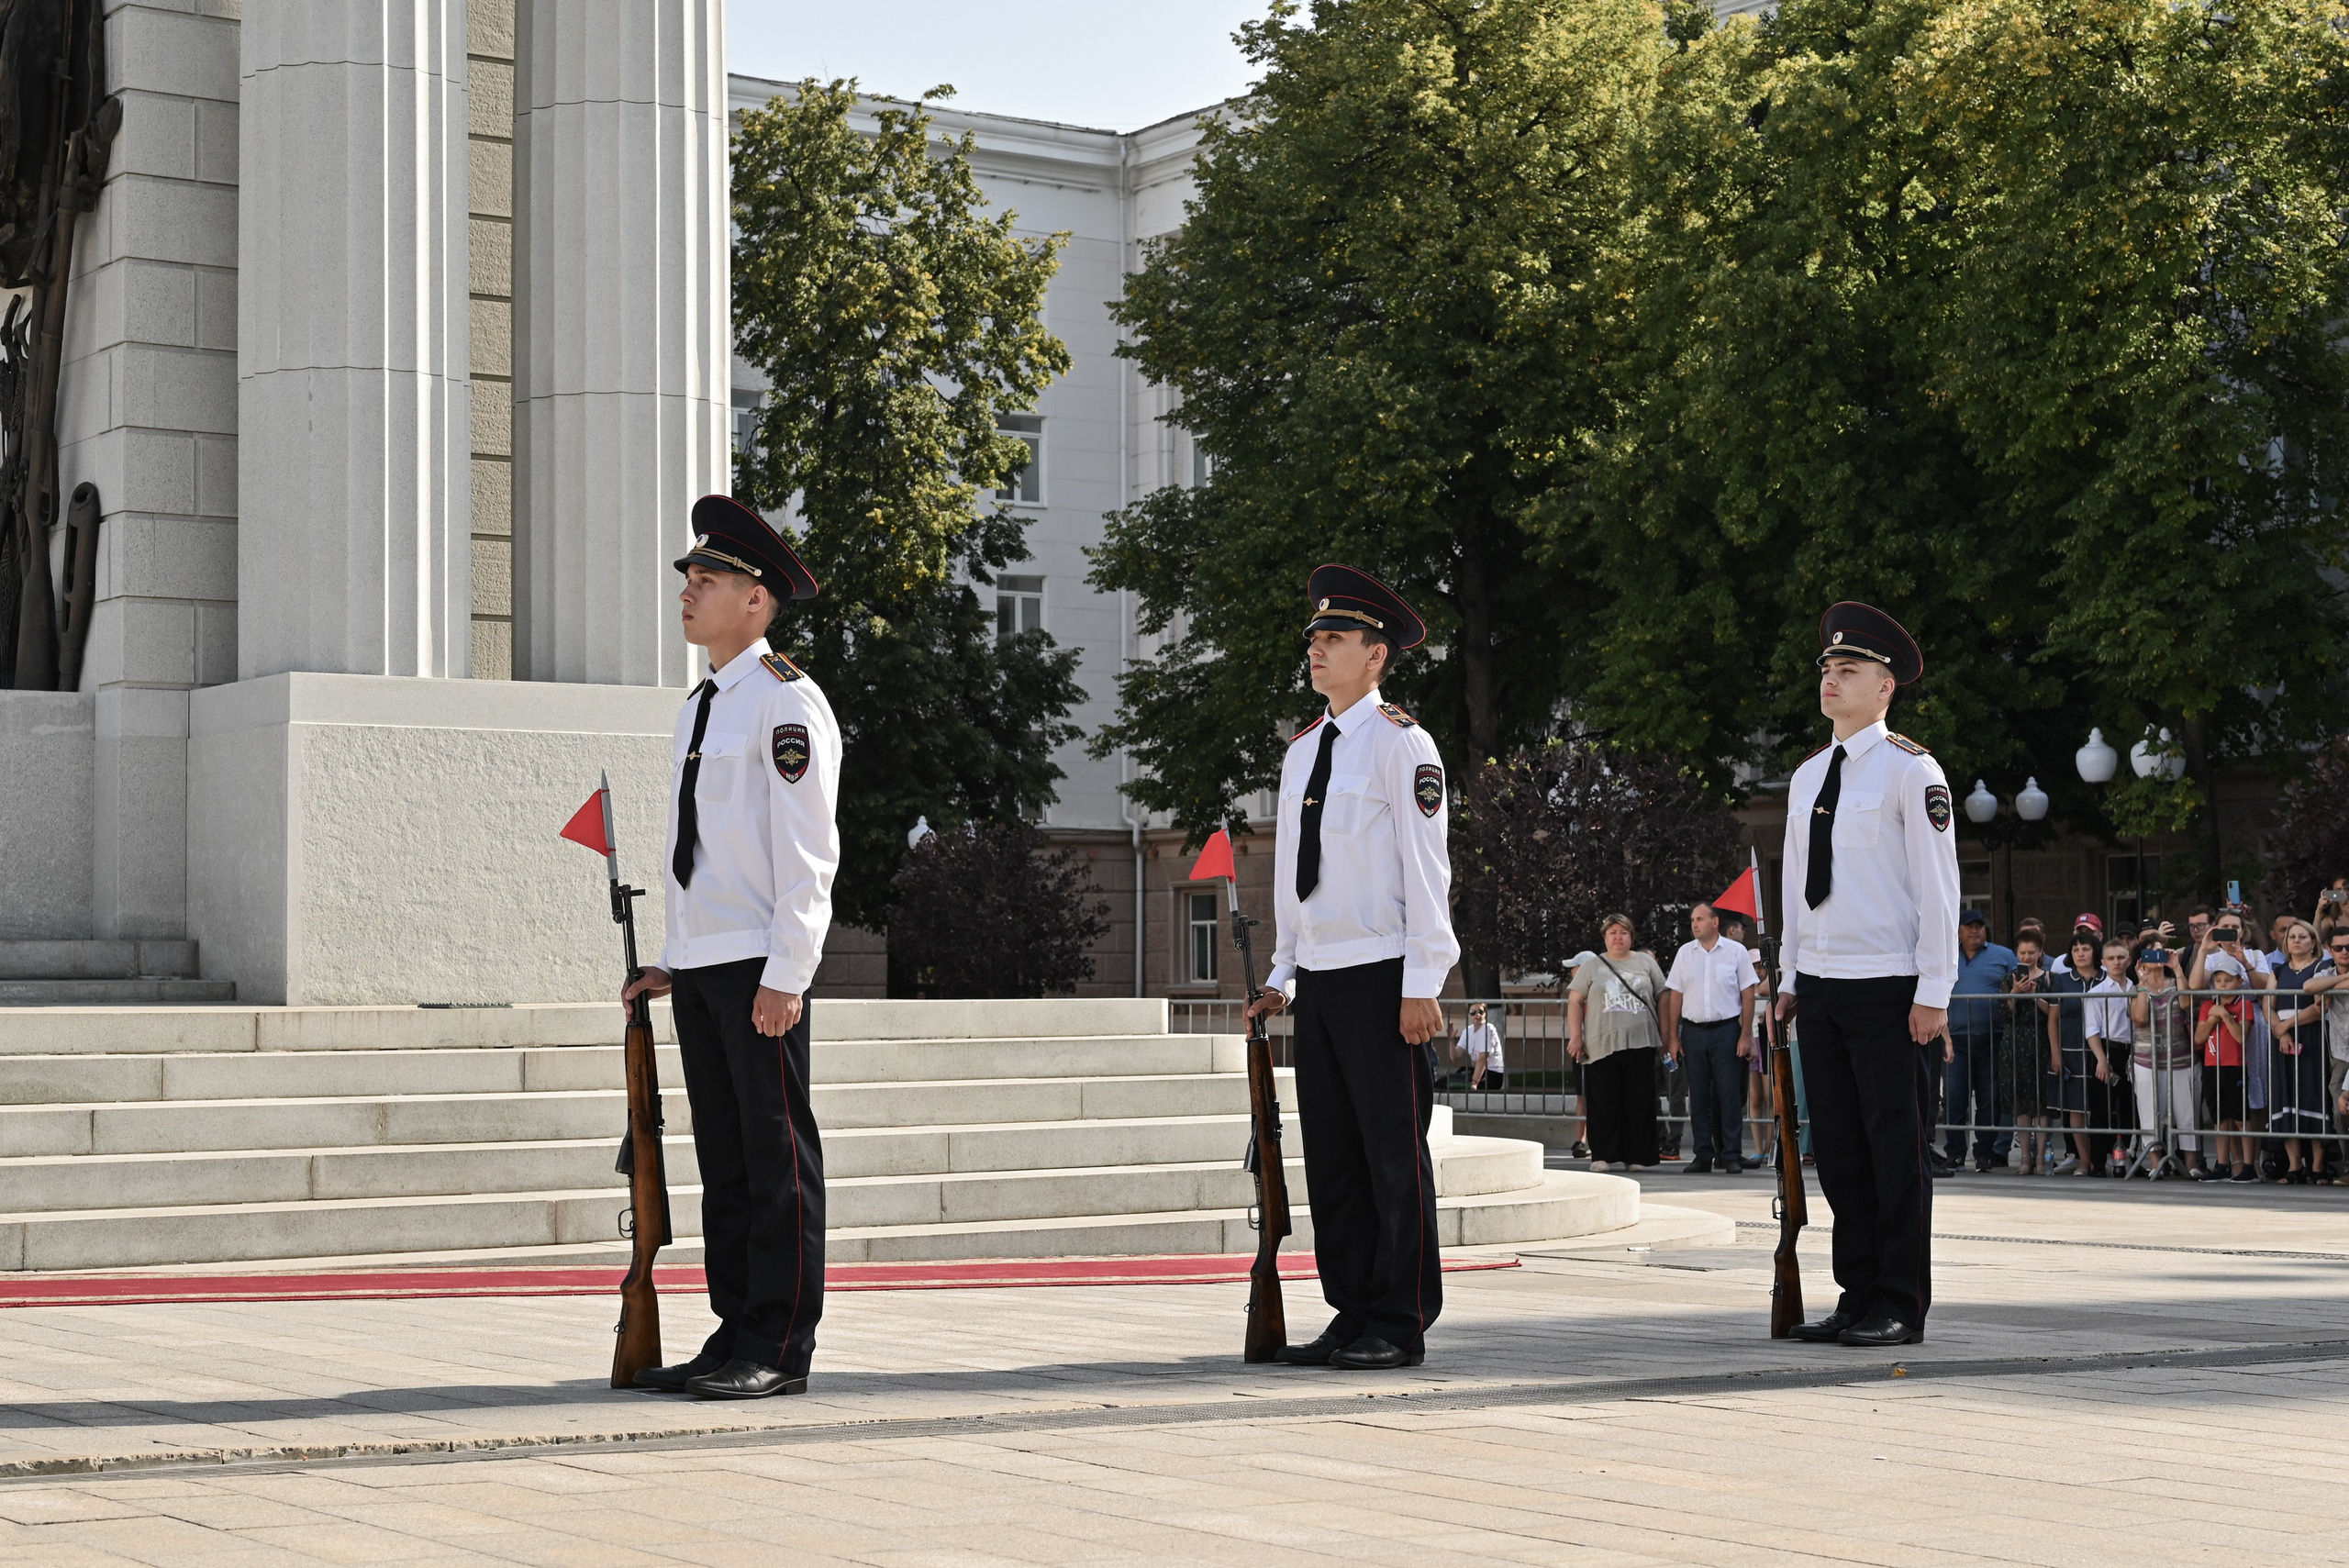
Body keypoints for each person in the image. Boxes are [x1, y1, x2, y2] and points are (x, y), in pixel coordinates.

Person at [623, 495, 840, 1400]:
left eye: (707, 579)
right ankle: (731, 1327)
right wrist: (678, 955)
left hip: (759, 963)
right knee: (724, 1157)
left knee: (775, 1156)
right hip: (711, 959)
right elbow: (708, 850)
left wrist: (787, 968)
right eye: (689, 577)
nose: (689, 590)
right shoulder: (703, 703)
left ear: (756, 599)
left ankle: (780, 1341)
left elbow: (806, 848)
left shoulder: (784, 700)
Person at [1243, 565, 1457, 1373]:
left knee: (1391, 1154)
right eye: (1314, 639)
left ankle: (1398, 1315)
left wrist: (1422, 984)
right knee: (1333, 1156)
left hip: (1382, 974)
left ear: (1377, 656)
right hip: (1323, 977)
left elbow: (1425, 869)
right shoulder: (1304, 750)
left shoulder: (1404, 743)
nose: (1317, 650)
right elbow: (1295, 873)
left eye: (1335, 639)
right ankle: (1350, 1308)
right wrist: (1281, 970)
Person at [1773, 602, 1960, 1350]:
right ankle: (1856, 1295)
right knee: (1842, 1152)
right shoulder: (1809, 775)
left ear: (1885, 687)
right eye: (1827, 668)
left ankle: (1899, 1301)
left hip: (1889, 988)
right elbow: (1794, 882)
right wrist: (1789, 974)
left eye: (1848, 670)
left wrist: (1933, 993)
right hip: (1820, 984)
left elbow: (1938, 889)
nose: (1831, 679)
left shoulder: (1914, 771)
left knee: (1896, 1151)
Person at [1664, 901, 1758, 1174]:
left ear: (1715, 922)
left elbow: (1748, 993)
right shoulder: (1685, 953)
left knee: (1729, 1095)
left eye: (1700, 919)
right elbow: (1675, 995)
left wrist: (1745, 1034)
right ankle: (1703, 1155)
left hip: (1726, 1031)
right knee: (1700, 1096)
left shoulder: (1736, 952)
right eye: (1693, 919)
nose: (1694, 924)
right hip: (1693, 1032)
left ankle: (1731, 1154)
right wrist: (1673, 1037)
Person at [1570, 915, 1669, 1172]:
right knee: (1604, 1103)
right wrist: (1576, 1035)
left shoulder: (1645, 962)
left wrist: (1667, 1036)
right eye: (1612, 932)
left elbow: (1663, 997)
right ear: (1605, 938)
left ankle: (1636, 1156)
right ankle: (1601, 1155)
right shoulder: (1592, 965)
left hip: (1641, 1042)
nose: (1618, 936)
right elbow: (1575, 999)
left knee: (1639, 1103)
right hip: (1601, 1044)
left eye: (1623, 932)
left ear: (1631, 936)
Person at [1943, 911, 2017, 1173]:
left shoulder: (2003, 955)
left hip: (1992, 1037)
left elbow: (2020, 984)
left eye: (1979, 927)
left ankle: (1984, 1151)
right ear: (1959, 931)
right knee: (1954, 1098)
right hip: (1955, 1039)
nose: (1975, 931)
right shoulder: (1947, 955)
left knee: (1989, 1098)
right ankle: (1955, 1152)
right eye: (1969, 927)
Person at [2266, 919, 2331, 1184]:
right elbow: (2266, 1003)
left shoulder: (2322, 967)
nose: (2296, 941)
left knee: (2314, 1095)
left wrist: (2286, 1026)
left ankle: (2317, 1166)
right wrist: (2278, 1031)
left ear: (2313, 941)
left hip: (2310, 1034)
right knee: (2286, 1096)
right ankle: (2294, 1166)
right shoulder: (2278, 970)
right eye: (2292, 936)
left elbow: (2319, 1007)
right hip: (2282, 1039)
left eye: (2303, 937)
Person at [2126, 945, 2197, 1177]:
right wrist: (2144, 984)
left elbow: (2187, 1005)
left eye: (2160, 952)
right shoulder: (2136, 988)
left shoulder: (2178, 983)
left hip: (2180, 1058)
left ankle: (2191, 1164)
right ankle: (2156, 1163)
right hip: (2146, 1059)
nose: (2156, 957)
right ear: (2140, 961)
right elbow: (2140, 1018)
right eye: (2148, 954)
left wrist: (2177, 968)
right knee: (2149, 1113)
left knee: (2186, 1114)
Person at [2042, 932, 2100, 1175]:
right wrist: (2056, 1053)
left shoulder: (2106, 979)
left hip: (2100, 1048)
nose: (2080, 954)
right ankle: (2084, 1161)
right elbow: (2052, 1020)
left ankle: (2104, 1159)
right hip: (2070, 1045)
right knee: (2075, 1106)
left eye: (2085, 949)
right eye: (2075, 950)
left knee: (2100, 1106)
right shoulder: (2062, 981)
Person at [2196, 953, 2258, 1181]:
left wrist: (2224, 1014)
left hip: (2235, 1066)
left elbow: (2241, 1037)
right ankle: (2222, 1165)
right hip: (2213, 1066)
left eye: (2228, 980)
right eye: (2218, 980)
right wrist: (2213, 1018)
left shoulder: (2245, 1005)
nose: (2222, 985)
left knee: (2241, 1118)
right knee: (2219, 1119)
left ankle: (2249, 1166)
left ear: (2239, 982)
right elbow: (2198, 1038)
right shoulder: (2207, 1006)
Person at [2084, 937, 2136, 1173]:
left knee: (2129, 1109)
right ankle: (2098, 1161)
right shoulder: (2097, 992)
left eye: (2121, 957)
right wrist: (2101, 1059)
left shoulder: (2135, 988)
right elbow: (2092, 1029)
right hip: (2107, 1050)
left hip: (2132, 1053)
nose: (2117, 962)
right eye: (2112, 958)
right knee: (2101, 1109)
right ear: (2103, 962)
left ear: (2129, 960)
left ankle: (2124, 1158)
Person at [2003, 933, 2052, 1174]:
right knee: (2022, 1103)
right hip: (2015, 1042)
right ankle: (2024, 1157)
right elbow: (2004, 1011)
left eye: (2031, 952)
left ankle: (2041, 1157)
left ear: (2040, 953)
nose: (2027, 956)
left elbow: (2052, 1011)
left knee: (2041, 1103)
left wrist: (2034, 995)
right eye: (2022, 953)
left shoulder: (2049, 978)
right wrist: (2015, 991)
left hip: (2041, 1040)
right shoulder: (2008, 978)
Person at [1456, 1002, 1505, 1093]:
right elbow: (1455, 1055)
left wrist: (1474, 1084)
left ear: (1485, 1014)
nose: (1477, 1015)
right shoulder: (1468, 1031)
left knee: (1463, 1088)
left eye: (1480, 1012)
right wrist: (1451, 1039)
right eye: (1473, 1013)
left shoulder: (1489, 1030)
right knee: (1444, 1083)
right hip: (1478, 1073)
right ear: (1469, 1016)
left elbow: (1482, 1059)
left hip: (1492, 1074)